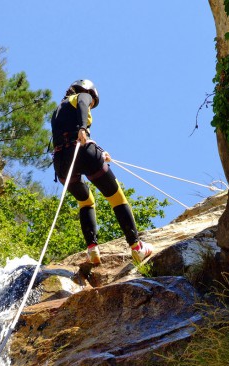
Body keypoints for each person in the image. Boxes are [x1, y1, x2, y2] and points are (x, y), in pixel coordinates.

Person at [50, 79, 153, 265]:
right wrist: (83, 127)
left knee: (86, 201)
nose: (90, 104)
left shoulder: (57, 111)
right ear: (87, 91)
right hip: (82, 151)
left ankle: (92, 249)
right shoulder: (81, 96)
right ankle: (137, 247)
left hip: (61, 164)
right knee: (116, 197)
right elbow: (82, 105)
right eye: (92, 102)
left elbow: (67, 134)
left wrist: (100, 150)